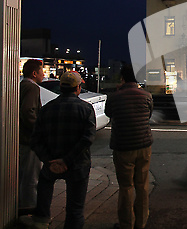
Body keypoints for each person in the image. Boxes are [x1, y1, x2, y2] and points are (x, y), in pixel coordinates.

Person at [23, 71, 96, 229]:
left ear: (61, 87)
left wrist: (49, 160)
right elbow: (88, 139)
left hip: (50, 163)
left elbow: (35, 140)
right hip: (77, 164)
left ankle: (42, 220)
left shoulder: (47, 109)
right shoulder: (86, 109)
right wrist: (66, 160)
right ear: (78, 88)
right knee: (75, 209)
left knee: (43, 199)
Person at [105, 65, 154, 229]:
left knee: (126, 187)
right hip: (144, 146)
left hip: (123, 146)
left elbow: (109, 113)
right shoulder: (147, 95)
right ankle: (141, 223)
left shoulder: (114, 97)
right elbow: (148, 114)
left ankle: (127, 224)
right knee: (142, 186)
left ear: (122, 78)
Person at [19, 59, 44, 215]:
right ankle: (28, 208)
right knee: (31, 176)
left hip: (21, 138)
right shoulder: (32, 87)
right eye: (42, 71)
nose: (43, 74)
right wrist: (39, 130)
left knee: (23, 174)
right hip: (29, 140)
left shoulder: (22, 85)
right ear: (34, 74)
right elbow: (28, 111)